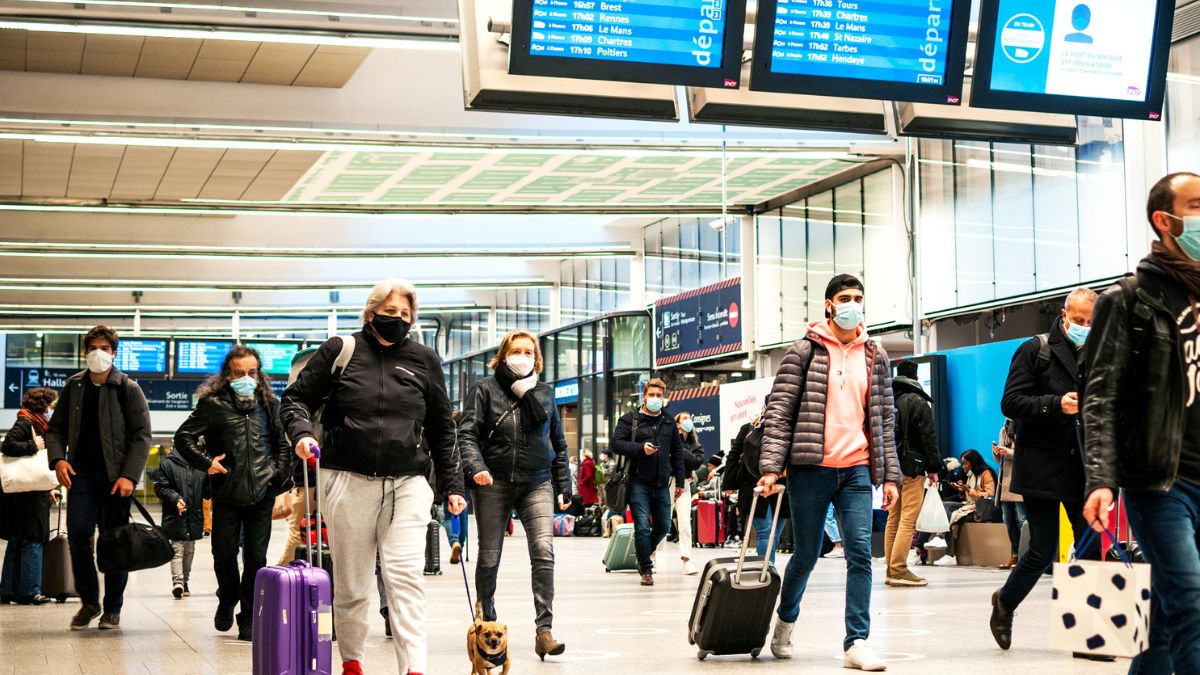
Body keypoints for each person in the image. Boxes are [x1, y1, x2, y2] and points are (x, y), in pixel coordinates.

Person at [282, 278, 466, 675]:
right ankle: (352, 662)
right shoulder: (340, 350)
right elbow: (295, 398)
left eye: (405, 314)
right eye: (389, 313)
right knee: (353, 581)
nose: (398, 320)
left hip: (408, 482)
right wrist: (300, 435)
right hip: (347, 479)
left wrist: (452, 485)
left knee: (405, 576)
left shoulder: (424, 359)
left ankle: (414, 668)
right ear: (370, 314)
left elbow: (441, 428)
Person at [1082, 172, 1200, 674]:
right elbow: (1101, 394)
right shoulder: (1129, 299)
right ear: (1165, 220)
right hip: (1161, 480)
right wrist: (1102, 478)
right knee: (1192, 604)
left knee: (1163, 622)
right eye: (1196, 205)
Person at [758, 274, 900, 672]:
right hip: (810, 469)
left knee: (860, 554)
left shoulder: (875, 354)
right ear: (828, 305)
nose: (852, 304)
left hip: (856, 469)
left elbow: (884, 421)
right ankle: (786, 621)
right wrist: (771, 468)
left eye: (858, 298)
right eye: (844, 298)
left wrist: (889, 475)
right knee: (805, 555)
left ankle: (856, 641)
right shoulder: (803, 351)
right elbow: (780, 412)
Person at [991, 287, 1100, 658]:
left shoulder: (1098, 352)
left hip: (1082, 466)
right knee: (1042, 548)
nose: (1085, 327)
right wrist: (1056, 404)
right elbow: (1010, 402)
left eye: (1091, 321)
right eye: (1079, 320)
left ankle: (1087, 635)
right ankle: (1004, 604)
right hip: (1041, 466)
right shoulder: (1035, 349)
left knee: (1090, 547)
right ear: (1065, 315)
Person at [458, 329, 572, 659]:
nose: (521, 356)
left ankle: (544, 631)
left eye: (527, 351)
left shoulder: (545, 394)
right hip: (493, 482)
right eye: (515, 350)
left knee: (543, 550)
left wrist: (564, 485)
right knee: (490, 554)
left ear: (536, 358)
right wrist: (476, 466)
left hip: (537, 481)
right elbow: (466, 435)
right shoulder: (484, 390)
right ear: (504, 354)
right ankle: (487, 617)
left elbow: (558, 445)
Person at [173, 346, 293, 641]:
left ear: (259, 374)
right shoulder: (212, 404)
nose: (246, 378)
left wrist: (275, 476)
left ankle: (248, 617)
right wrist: (206, 463)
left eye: (252, 372)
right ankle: (227, 598)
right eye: (239, 373)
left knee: (256, 559)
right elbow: (183, 437)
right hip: (226, 494)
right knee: (224, 555)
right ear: (228, 375)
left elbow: (282, 445)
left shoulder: (269, 404)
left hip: (261, 496)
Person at [46, 325, 152, 632]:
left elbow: (142, 436)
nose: (98, 353)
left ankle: (112, 608)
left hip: (116, 479)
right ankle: (89, 602)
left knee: (115, 543)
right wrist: (58, 459)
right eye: (93, 347)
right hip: (81, 476)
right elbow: (56, 430)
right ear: (84, 352)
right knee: (78, 536)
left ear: (114, 353)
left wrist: (130, 475)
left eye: (105, 348)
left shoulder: (127, 388)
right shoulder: (74, 386)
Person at [611, 378, 685, 587]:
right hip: (638, 482)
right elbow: (616, 444)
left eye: (659, 396)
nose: (655, 399)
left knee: (662, 526)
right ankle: (646, 568)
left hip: (662, 483)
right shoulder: (630, 420)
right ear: (644, 396)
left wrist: (680, 480)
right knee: (642, 527)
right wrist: (640, 449)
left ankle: (644, 552)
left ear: (664, 398)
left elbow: (677, 452)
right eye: (651, 395)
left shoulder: (669, 422)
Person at [884, 360, 941, 587]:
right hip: (912, 467)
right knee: (908, 519)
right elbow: (928, 437)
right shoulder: (918, 402)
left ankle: (890, 568)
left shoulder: (891, 401)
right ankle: (899, 570)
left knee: (893, 518)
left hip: (891, 466)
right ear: (915, 378)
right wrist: (934, 468)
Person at [0, 387, 58, 605]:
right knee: (34, 540)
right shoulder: (27, 422)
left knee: (18, 541)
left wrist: (48, 488)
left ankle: (7, 590)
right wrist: (35, 445)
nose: (52, 409)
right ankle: (30, 591)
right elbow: (7, 446)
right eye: (50, 405)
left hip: (22, 494)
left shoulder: (31, 421)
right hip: (30, 498)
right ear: (41, 405)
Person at [151, 446, 208, 600]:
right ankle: (178, 582)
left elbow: (207, 491)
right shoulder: (168, 464)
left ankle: (185, 582)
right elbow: (160, 487)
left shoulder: (200, 464)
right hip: (176, 515)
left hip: (194, 516)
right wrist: (175, 499)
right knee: (177, 548)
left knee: (189, 551)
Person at [935, 449, 997, 567]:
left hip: (980, 508)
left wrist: (969, 490)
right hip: (969, 504)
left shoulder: (986, 473)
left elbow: (990, 494)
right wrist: (962, 490)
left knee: (952, 516)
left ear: (973, 462)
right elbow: (968, 495)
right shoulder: (971, 474)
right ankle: (941, 538)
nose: (963, 466)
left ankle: (949, 553)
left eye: (965, 463)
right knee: (945, 506)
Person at [665, 411, 703, 575]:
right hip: (668, 482)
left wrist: (679, 451)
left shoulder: (696, 444)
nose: (689, 421)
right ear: (678, 424)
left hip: (685, 484)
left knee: (685, 524)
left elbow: (696, 463)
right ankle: (651, 556)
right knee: (663, 522)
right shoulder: (669, 440)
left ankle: (687, 561)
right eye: (685, 418)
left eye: (690, 418)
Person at [992, 420, 1026, 570]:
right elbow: (1001, 460)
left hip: (1019, 479)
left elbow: (1027, 455)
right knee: (1008, 520)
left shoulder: (1025, 426)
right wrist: (997, 453)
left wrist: (1009, 452)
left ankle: (1025, 556)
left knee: (1022, 519)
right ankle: (1015, 554)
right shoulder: (1003, 429)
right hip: (1005, 482)